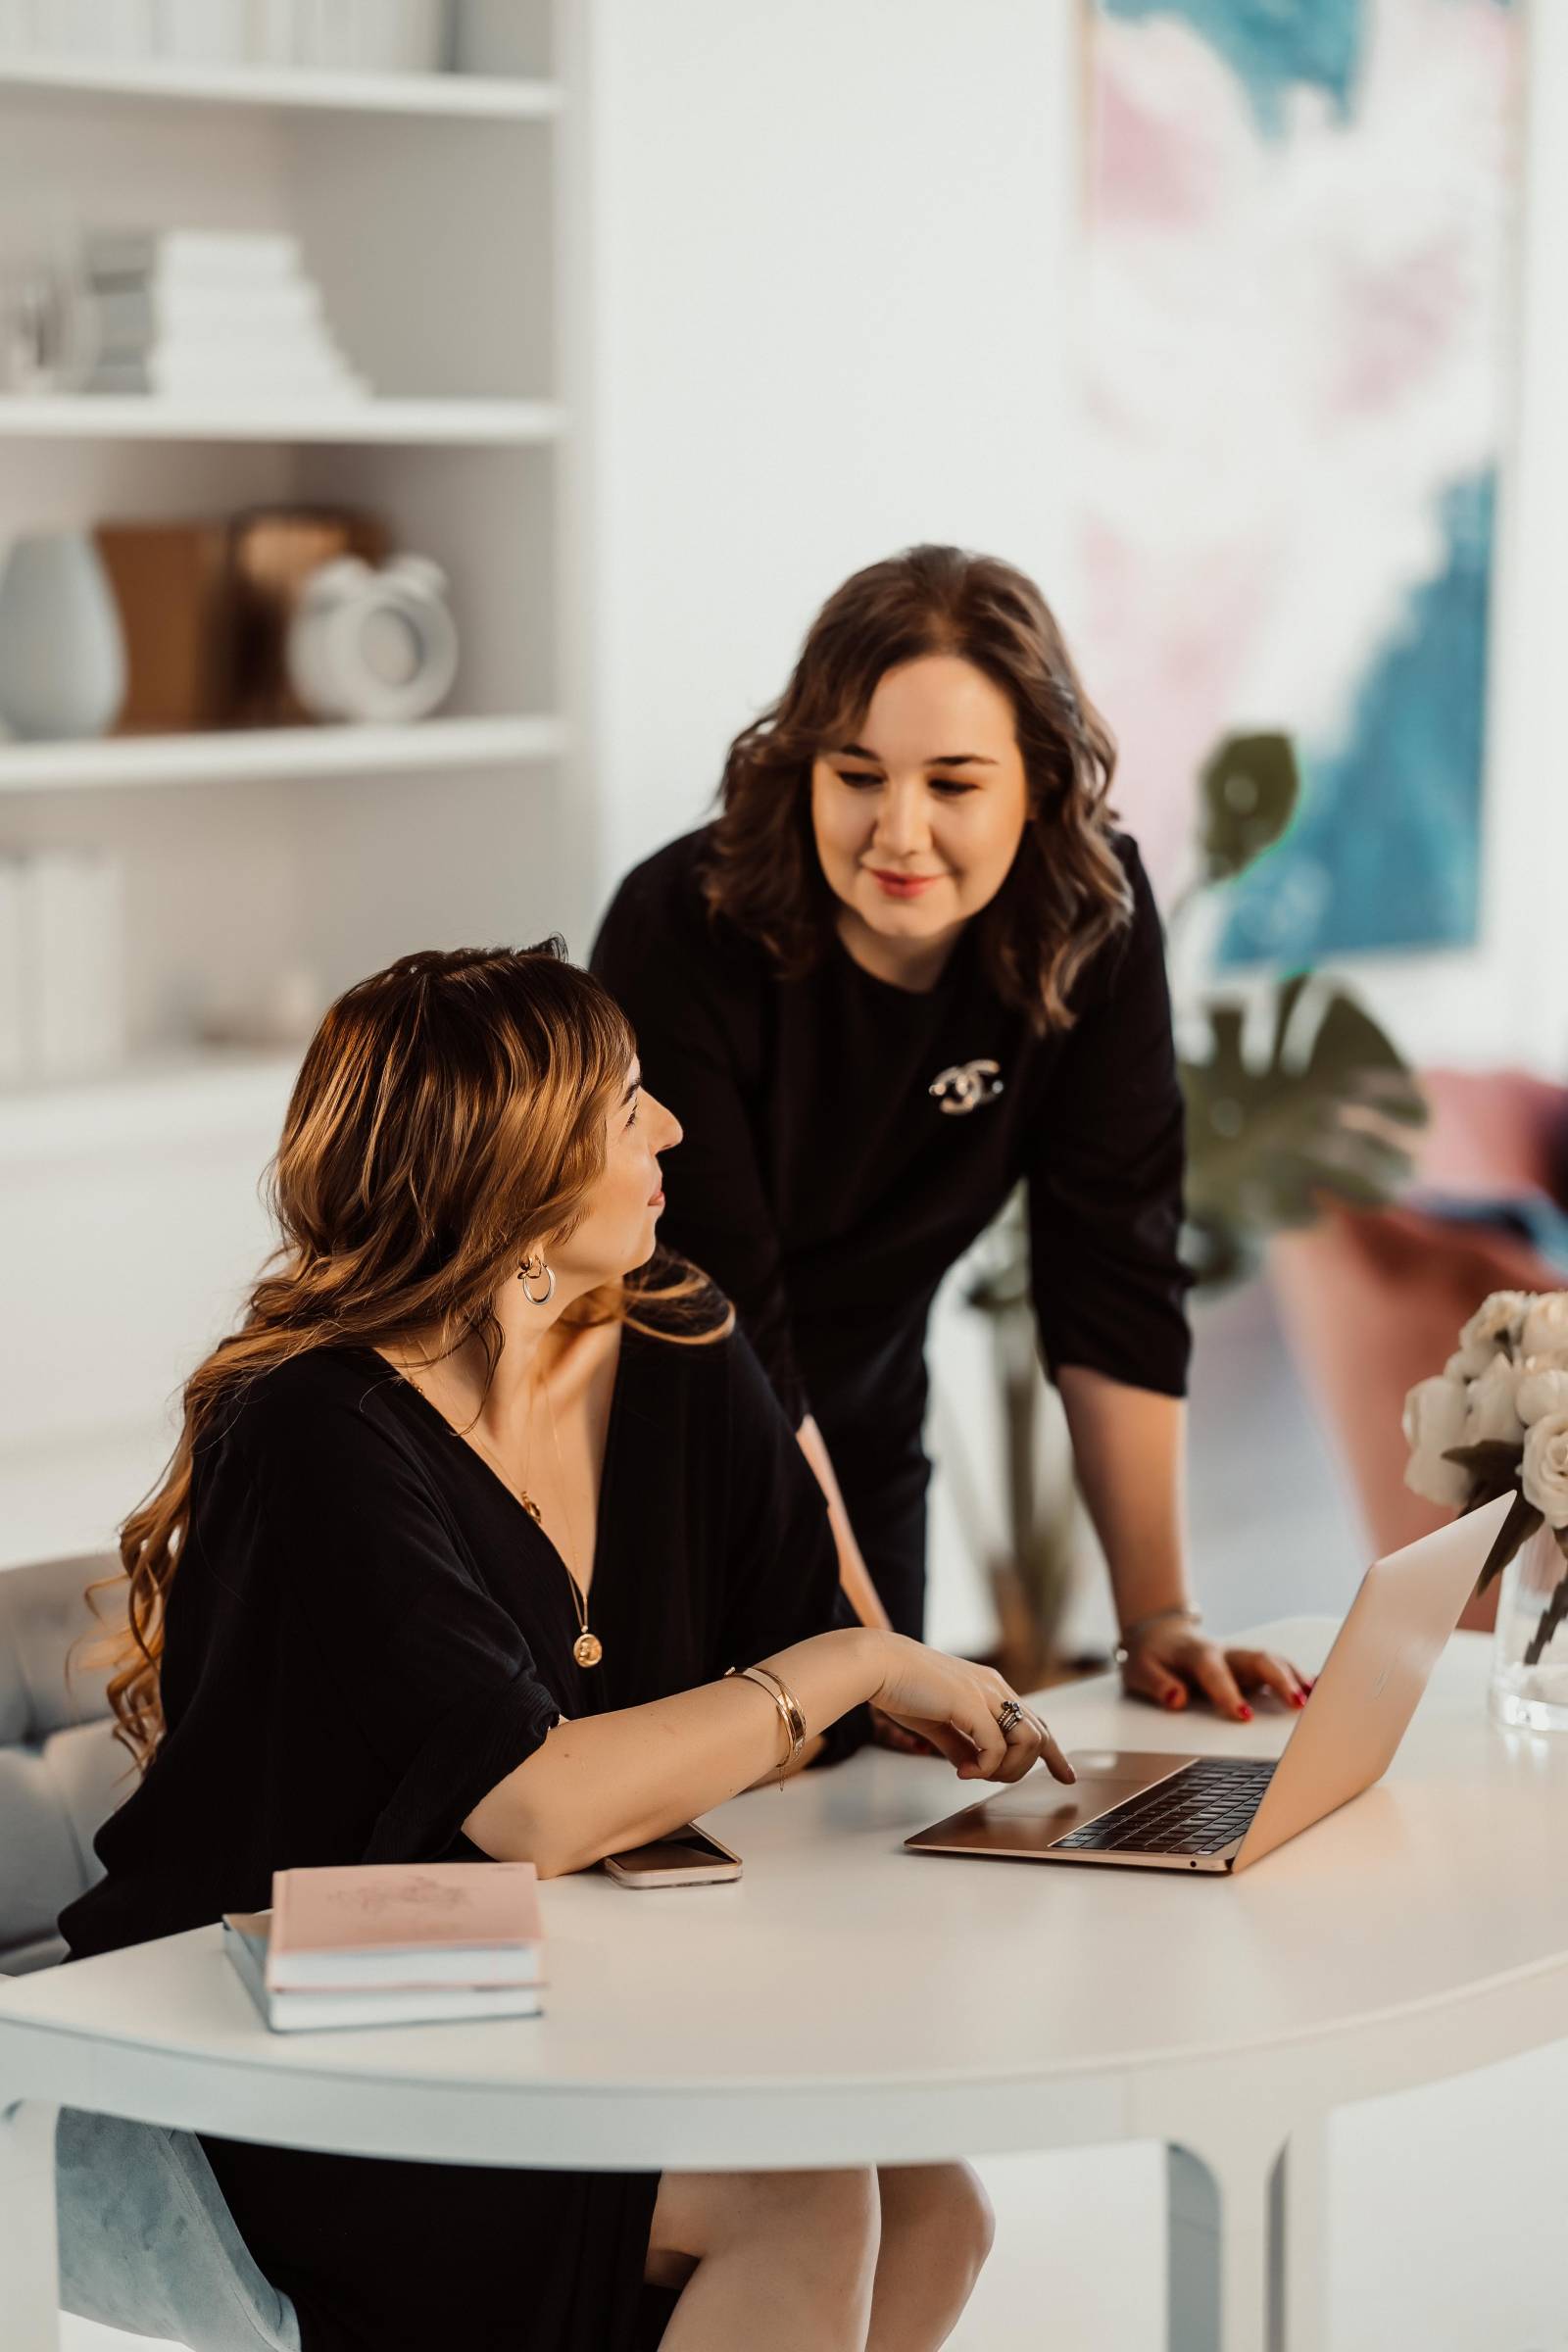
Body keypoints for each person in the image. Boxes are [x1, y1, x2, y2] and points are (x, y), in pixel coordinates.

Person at [61, 943, 1069, 2352]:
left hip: (569, 1996)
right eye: (626, 1107)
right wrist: (854, 1665)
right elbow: (537, 1800)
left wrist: (882, 1696)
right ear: (513, 1182)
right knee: (804, 2205)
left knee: (938, 2206)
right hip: (297, 2042)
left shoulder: (675, 1340)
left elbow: (794, 1670)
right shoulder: (316, 1429)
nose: (669, 1130)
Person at [592, 545, 1309, 1725]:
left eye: (954, 783)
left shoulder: (1094, 924)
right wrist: (879, 1663)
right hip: (662, 1448)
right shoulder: (683, 930)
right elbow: (723, 1321)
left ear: (1038, 784)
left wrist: (1157, 1621)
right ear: (804, 767)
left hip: (865, 1431)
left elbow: (1114, 1266)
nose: (899, 831)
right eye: (857, 773)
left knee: (866, 1824)